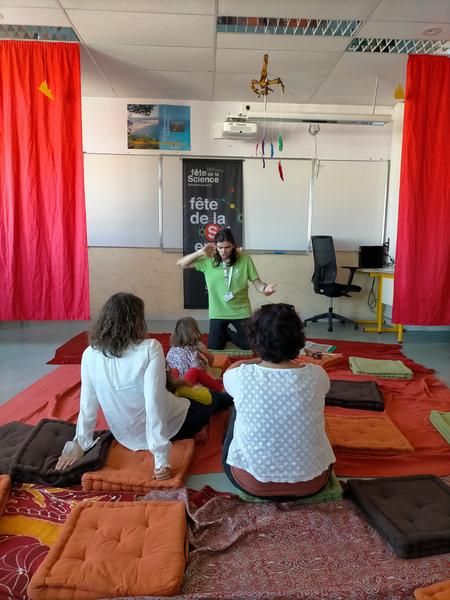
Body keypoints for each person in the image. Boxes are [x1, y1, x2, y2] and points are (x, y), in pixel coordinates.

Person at [55, 293, 233, 480]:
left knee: (186, 394)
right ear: (136, 321)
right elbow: (153, 402)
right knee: (211, 400)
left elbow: (87, 404)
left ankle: (219, 396)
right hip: (175, 425)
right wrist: (161, 458)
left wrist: (81, 443)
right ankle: (233, 397)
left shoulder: (90, 354)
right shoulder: (149, 348)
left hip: (124, 435)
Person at [221, 303, 335, 499]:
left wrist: (257, 360)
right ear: (299, 339)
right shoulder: (317, 375)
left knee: (238, 405)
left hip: (252, 482)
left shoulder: (240, 376)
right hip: (313, 482)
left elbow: (231, 371)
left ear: (255, 339)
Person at [176, 228, 276, 350]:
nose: (223, 251)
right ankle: (225, 332)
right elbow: (181, 264)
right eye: (220, 247)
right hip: (218, 312)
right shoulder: (209, 260)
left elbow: (258, 284)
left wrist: (265, 289)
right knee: (215, 348)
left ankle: (227, 333)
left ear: (233, 245)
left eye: (227, 247)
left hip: (241, 311)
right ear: (216, 246)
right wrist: (200, 252)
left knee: (249, 346)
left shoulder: (245, 259)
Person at [166, 316, 223, 392]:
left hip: (172, 382)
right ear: (195, 332)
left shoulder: (172, 350)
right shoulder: (194, 351)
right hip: (189, 384)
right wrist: (204, 350)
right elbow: (207, 364)